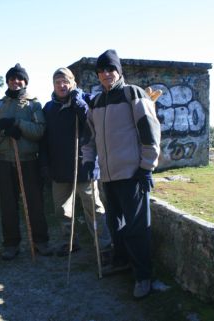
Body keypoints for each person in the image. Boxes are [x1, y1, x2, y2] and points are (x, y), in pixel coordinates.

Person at [82, 49, 161, 298]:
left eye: (110, 69)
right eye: (102, 70)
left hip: (132, 174)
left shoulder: (133, 94)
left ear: (118, 71)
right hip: (107, 176)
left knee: (138, 228)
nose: (106, 74)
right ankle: (124, 263)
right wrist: (87, 161)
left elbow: (149, 131)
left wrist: (146, 167)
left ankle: (143, 277)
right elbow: (89, 138)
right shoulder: (95, 102)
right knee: (116, 225)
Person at [39, 67, 112, 261]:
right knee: (62, 209)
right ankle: (69, 241)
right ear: (53, 85)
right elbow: (44, 140)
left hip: (84, 166)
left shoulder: (86, 100)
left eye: (65, 81)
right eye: (57, 82)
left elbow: (92, 123)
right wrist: (45, 164)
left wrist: (79, 104)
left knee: (94, 209)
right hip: (59, 169)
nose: (62, 85)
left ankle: (104, 247)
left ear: (73, 83)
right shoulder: (49, 108)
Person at [0, 63, 52, 260]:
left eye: (20, 78)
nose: (16, 81)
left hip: (29, 161)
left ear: (25, 82)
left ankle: (40, 241)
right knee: (8, 205)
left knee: (35, 204)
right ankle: (11, 244)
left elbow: (40, 131)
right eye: (12, 78)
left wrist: (18, 124)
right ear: (7, 81)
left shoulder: (34, 105)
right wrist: (3, 132)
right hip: (6, 161)